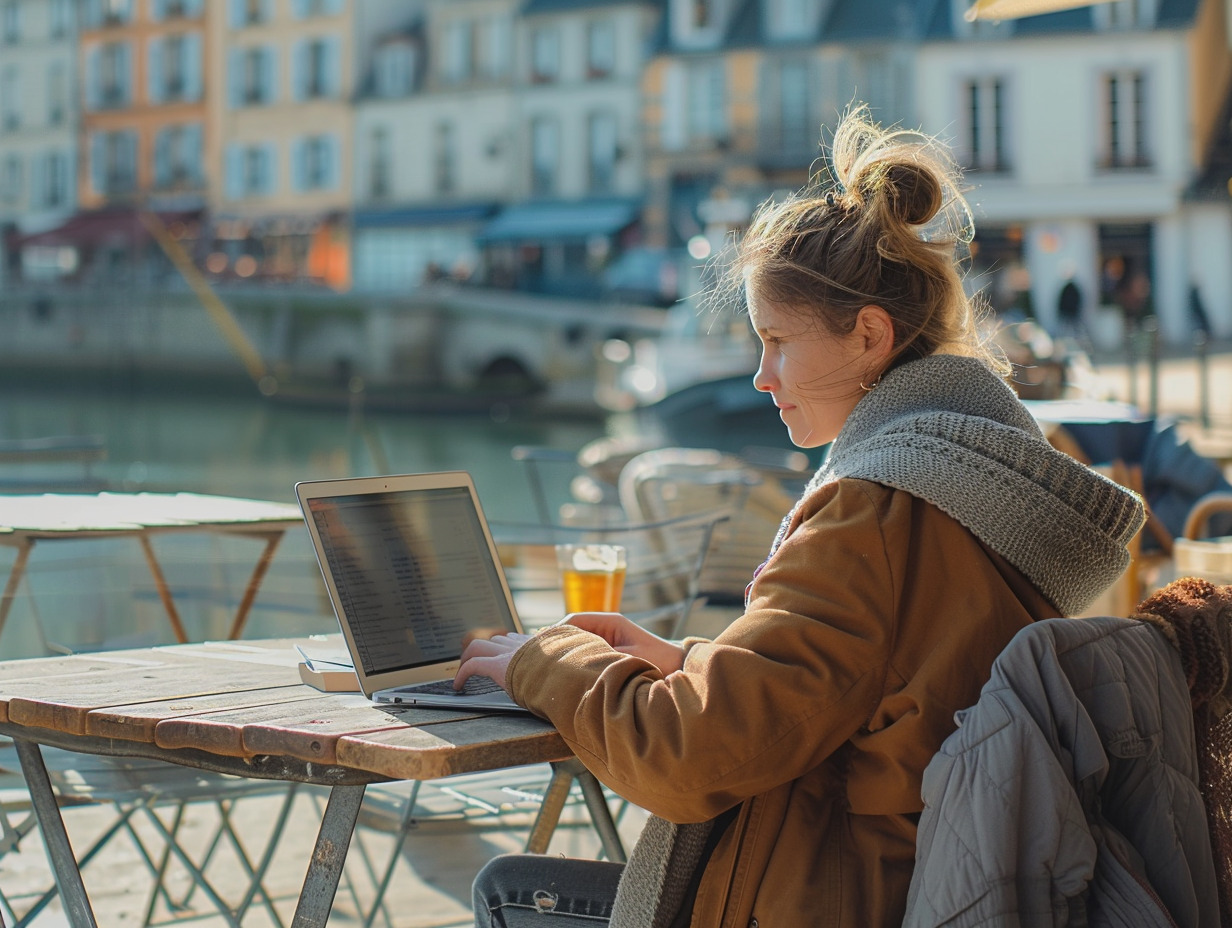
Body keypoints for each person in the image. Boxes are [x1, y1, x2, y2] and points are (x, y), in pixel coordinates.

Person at [456, 106, 1147, 928]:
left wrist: (541, 659)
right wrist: (690, 661)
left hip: (828, 896)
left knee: (508, 893)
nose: (760, 376)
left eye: (777, 341)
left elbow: (687, 757)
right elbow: (871, 684)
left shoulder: (872, 513)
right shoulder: (980, 484)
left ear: (868, 336)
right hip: (933, 881)